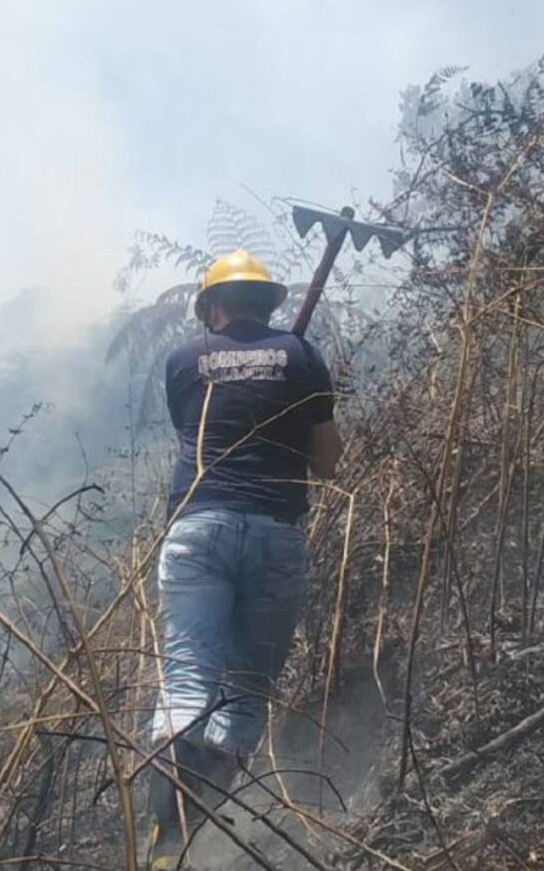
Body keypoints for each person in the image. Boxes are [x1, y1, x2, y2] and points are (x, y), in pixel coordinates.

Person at [146, 248, 343, 868]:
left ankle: (163, 834)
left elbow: (195, 431)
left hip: (197, 529)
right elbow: (328, 462)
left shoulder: (183, 361)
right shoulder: (302, 357)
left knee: (188, 677)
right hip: (275, 535)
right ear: (267, 304)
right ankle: (203, 824)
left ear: (212, 309)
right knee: (246, 688)